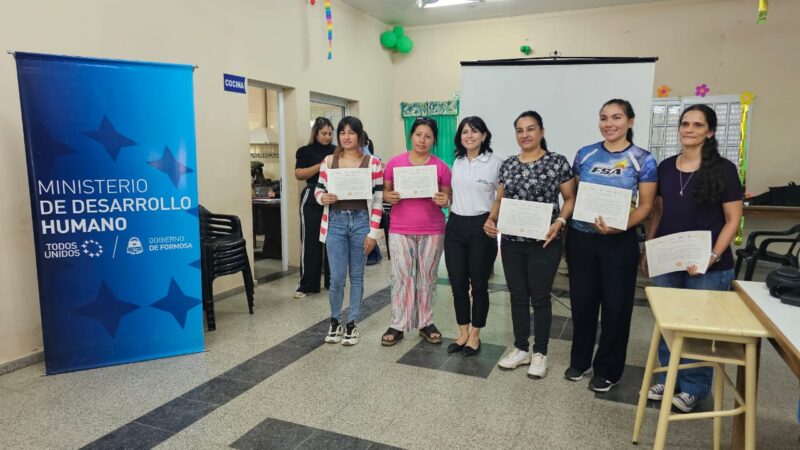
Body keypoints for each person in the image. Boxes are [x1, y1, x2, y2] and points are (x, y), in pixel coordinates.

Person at [643, 104, 743, 412]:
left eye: (697, 125)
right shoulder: (666, 167)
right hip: (668, 259)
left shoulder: (723, 169)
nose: (689, 129)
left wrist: (712, 256)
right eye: (685, 123)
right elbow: (657, 211)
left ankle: (694, 388)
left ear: (709, 132)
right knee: (668, 322)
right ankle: (668, 376)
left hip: (708, 265)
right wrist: (649, 247)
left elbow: (732, 220)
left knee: (697, 328)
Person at [565, 99, 657, 392]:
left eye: (616, 117)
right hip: (581, 239)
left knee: (616, 307)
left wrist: (622, 224)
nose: (609, 124)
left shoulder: (643, 159)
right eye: (604, 118)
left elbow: (647, 206)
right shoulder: (585, 154)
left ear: (630, 121)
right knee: (582, 302)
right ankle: (580, 360)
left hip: (619, 241)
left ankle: (608, 368)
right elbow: (576, 194)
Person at [485, 111, 576, 376]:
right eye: (520, 130)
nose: (525, 135)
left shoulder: (557, 162)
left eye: (531, 129)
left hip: (544, 242)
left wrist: (559, 221)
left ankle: (540, 353)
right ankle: (521, 348)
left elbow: (570, 198)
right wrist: (491, 219)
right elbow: (500, 200)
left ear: (541, 131)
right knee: (517, 297)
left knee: (540, 298)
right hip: (512, 242)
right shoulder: (509, 165)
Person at [381, 117, 452, 346]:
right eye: (418, 134)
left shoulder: (441, 167)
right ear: (411, 136)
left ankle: (425, 322)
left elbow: (447, 198)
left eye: (428, 136)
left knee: (427, 277)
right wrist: (388, 197)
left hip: (432, 230)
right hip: (400, 229)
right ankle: (398, 323)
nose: (422, 140)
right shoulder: (394, 164)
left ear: (434, 140)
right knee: (401, 276)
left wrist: (444, 200)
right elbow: (386, 193)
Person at [315, 117, 384, 346]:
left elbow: (378, 200)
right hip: (335, 221)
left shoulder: (373, 163)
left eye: (351, 132)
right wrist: (322, 197)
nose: (346, 136)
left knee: (356, 276)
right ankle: (335, 321)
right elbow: (319, 190)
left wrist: (373, 233)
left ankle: (352, 323)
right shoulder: (328, 161)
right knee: (336, 278)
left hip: (361, 221)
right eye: (342, 132)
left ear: (360, 135)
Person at [444, 116, 503, 357]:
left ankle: (476, 336)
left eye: (475, 131)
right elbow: (453, 195)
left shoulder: (495, 163)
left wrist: (492, 220)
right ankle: (463, 332)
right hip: (455, 225)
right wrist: (444, 201)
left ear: (484, 136)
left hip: (481, 226)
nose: (469, 135)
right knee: (458, 284)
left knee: (478, 286)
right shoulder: (456, 162)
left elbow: (500, 197)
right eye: (465, 131)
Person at [294, 117, 335, 298]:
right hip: (311, 198)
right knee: (311, 241)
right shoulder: (305, 151)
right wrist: (321, 166)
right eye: (324, 133)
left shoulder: (337, 151)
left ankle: (332, 281)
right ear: (316, 133)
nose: (327, 137)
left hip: (333, 197)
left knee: (333, 242)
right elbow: (299, 174)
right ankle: (307, 285)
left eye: (330, 133)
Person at [363, 132, 383, 266]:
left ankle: (374, 254)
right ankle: (375, 254)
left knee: (370, 231)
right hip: (362, 200)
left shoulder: (371, 159)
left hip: (370, 201)